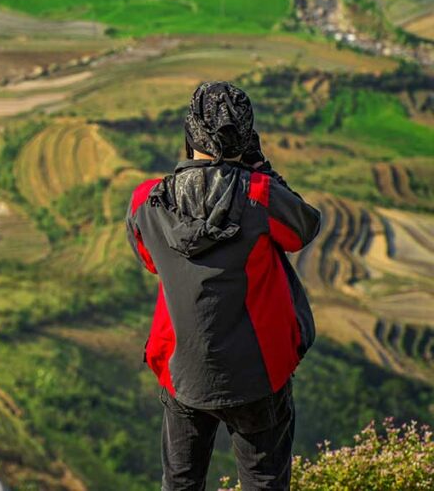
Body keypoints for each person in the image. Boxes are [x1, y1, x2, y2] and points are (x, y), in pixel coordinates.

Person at [126, 81, 321, 491]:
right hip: (256, 372)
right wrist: (261, 168)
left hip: (184, 368)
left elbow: (150, 260)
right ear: (245, 139)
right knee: (264, 481)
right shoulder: (260, 196)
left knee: (181, 482)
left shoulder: (147, 202)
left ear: (189, 135)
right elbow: (303, 228)